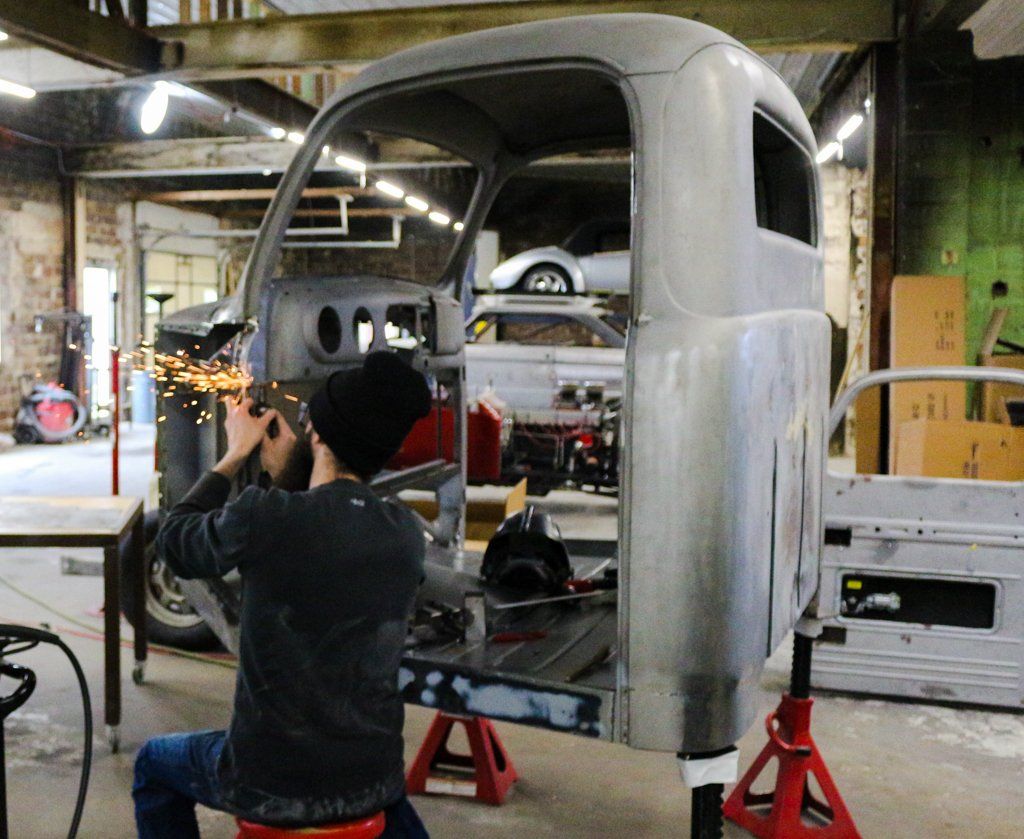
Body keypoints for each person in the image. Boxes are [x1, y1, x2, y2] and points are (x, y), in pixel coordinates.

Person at [133, 351, 433, 839]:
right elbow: (329, 530)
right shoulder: (404, 532)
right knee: (383, 799)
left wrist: (233, 456)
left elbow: (175, 546)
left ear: (316, 435)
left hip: (270, 782)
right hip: (372, 777)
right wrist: (288, 475)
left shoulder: (265, 517)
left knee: (153, 764)